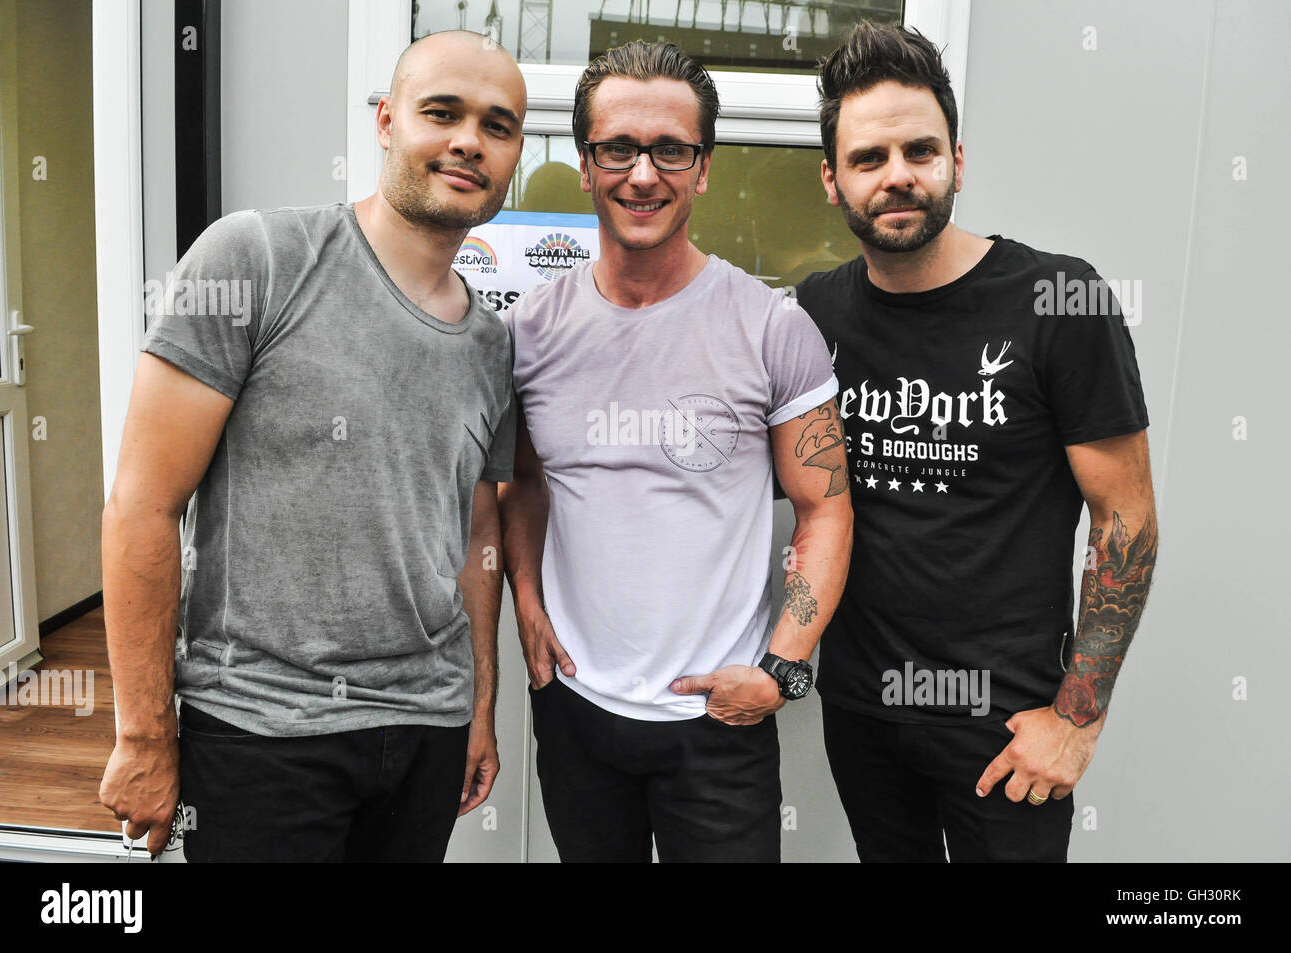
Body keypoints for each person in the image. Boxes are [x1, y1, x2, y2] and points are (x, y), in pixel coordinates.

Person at [98, 30, 526, 862]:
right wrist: (145, 734)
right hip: (263, 732)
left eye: (498, 125)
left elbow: (478, 534)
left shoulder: (492, 345)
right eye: (442, 112)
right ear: (386, 122)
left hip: (426, 729)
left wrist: (478, 704)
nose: (469, 140)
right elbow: (142, 507)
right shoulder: (258, 258)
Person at [795, 20, 1157, 862]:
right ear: (831, 179)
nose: (897, 178)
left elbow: (1125, 521)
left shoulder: (1062, 300)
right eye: (868, 159)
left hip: (1008, 727)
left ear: (958, 159)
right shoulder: (816, 311)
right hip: (864, 708)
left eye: (920, 152)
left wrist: (1077, 719)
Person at [498, 40, 854, 863]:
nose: (643, 174)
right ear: (585, 165)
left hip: (717, 725)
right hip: (577, 707)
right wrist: (526, 600)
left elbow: (825, 508)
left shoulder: (772, 328)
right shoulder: (530, 333)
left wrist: (783, 670)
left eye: (671, 149)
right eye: (618, 147)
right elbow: (522, 481)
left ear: (703, 168)